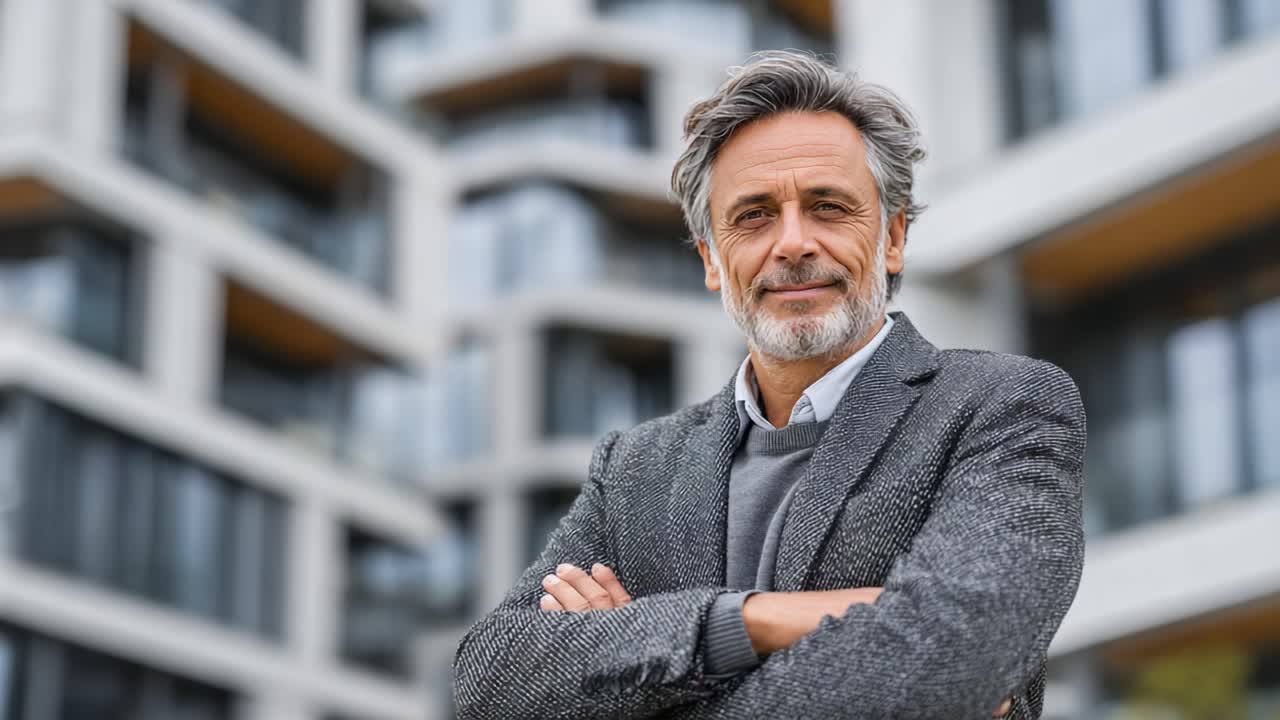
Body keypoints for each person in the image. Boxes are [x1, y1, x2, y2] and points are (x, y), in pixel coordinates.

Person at [453, 50, 1085, 719]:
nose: (792, 243)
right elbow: (491, 682)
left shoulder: (1001, 407)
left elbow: (959, 655)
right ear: (711, 260)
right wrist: (747, 623)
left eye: (828, 207)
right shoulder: (636, 469)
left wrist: (640, 663)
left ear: (893, 236)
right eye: (753, 215)